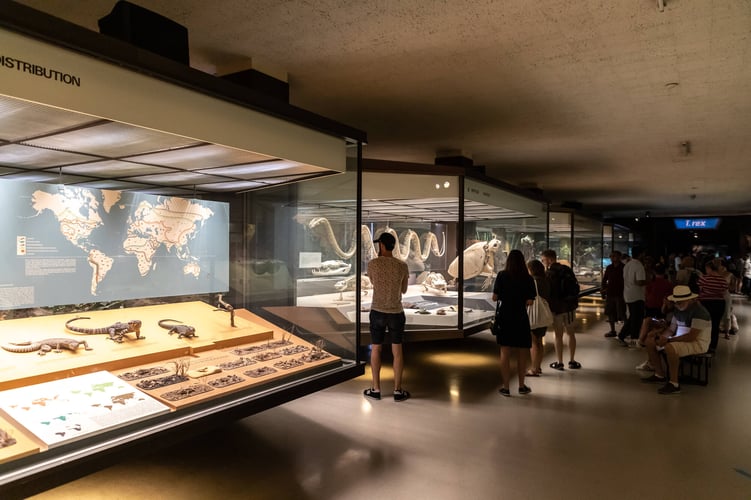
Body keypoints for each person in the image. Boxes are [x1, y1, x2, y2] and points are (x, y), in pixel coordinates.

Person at [363, 232, 410, 402]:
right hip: (396, 312)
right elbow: (404, 290)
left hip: (377, 311)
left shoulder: (372, 264)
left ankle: (376, 389)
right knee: (397, 351)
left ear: (381, 245)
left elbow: (374, 283)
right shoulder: (402, 266)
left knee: (376, 348)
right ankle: (398, 390)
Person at [641, 285, 711, 394]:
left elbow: (692, 336)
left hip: (697, 342)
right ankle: (659, 374)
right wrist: (663, 337)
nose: (678, 304)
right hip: (681, 339)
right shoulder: (678, 310)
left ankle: (674, 383)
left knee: (670, 347)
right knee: (650, 341)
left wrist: (668, 341)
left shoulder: (700, 312)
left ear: (689, 299)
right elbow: (671, 329)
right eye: (676, 302)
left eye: (680, 302)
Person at [492, 249, 536, 396]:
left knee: (505, 352)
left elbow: (494, 297)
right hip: (520, 317)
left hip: (505, 316)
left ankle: (506, 387)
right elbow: (530, 301)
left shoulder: (502, 275)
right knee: (522, 352)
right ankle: (522, 386)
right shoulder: (528, 278)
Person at [541, 249, 581, 370]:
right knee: (571, 334)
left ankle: (560, 362)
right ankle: (572, 361)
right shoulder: (567, 269)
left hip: (557, 308)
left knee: (558, 335)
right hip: (569, 307)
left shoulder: (548, 273)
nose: (543, 262)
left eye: (543, 260)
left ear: (549, 259)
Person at [526, 259, 551, 377]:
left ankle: (534, 369)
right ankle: (538, 366)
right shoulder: (545, 280)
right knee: (539, 342)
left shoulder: (533, 281)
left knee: (534, 343)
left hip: (534, 315)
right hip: (543, 315)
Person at [697, 259, 728, 353]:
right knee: (715, 325)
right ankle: (713, 347)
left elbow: (700, 290)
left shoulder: (704, 278)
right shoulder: (723, 280)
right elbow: (724, 292)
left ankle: (703, 344)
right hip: (719, 304)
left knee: (704, 324)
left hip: (706, 303)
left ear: (709, 268)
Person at [618, 252, 646, 346]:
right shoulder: (638, 265)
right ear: (640, 254)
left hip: (628, 294)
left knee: (633, 316)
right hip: (637, 295)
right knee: (637, 318)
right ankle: (634, 338)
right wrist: (649, 280)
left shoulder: (627, 265)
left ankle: (623, 334)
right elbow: (639, 281)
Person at [601, 251, 625, 337]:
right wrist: (603, 290)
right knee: (610, 312)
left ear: (619, 257)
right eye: (611, 256)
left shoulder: (623, 267)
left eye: (614, 256)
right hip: (610, 293)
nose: (613, 258)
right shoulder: (609, 268)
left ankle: (625, 331)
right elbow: (604, 279)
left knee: (622, 312)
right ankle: (613, 330)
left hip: (620, 293)